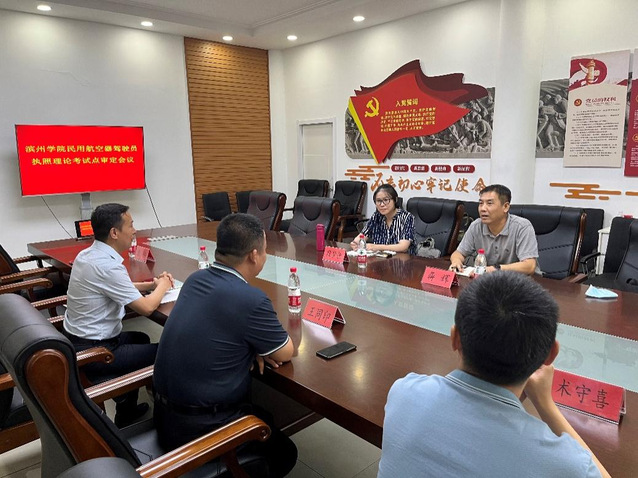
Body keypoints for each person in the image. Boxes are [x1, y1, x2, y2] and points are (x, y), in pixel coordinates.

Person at [378, 271, 610, 478]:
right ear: (551, 355)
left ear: (455, 338)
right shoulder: (564, 465)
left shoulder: (403, 392)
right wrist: (546, 405)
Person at [153, 213, 296, 477]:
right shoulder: (251, 299)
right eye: (265, 251)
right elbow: (286, 351)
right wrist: (257, 347)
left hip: (165, 416)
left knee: (264, 414)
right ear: (254, 255)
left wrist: (250, 346)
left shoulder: (196, 279)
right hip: (200, 430)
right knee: (285, 453)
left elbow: (218, 328)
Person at [64, 203, 173, 427]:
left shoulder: (88, 255)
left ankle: (126, 409)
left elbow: (115, 285)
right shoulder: (107, 265)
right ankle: (165, 409)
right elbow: (146, 308)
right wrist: (163, 286)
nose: (134, 230)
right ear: (114, 232)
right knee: (166, 352)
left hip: (79, 341)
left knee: (141, 338)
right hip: (95, 352)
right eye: (130, 225)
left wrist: (149, 285)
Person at [450, 184, 539, 275]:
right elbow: (459, 253)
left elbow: (529, 266)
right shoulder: (476, 226)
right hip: (489, 279)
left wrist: (495, 269)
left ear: (505, 207)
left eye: (489, 203)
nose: (483, 209)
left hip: (520, 280)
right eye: (481, 203)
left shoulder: (522, 227)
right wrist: (456, 262)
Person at [349, 183, 415, 254]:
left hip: (402, 258)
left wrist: (376, 247)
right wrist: (355, 243)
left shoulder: (407, 217)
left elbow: (403, 247)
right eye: (378, 201)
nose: (382, 204)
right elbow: (362, 236)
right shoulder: (376, 216)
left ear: (395, 200)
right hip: (379, 258)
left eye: (386, 200)